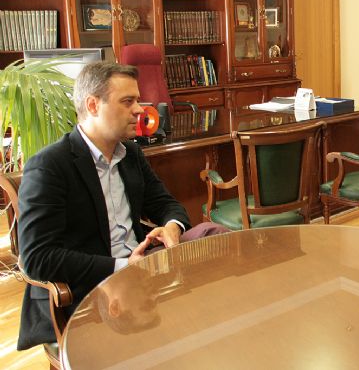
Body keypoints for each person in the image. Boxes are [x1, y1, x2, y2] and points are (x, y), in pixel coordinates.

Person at [17, 62, 228, 350]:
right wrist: (121, 266)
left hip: (141, 267)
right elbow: (38, 258)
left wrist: (171, 227)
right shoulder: (49, 166)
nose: (140, 109)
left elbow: (165, 203)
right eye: (128, 101)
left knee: (215, 236)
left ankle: (221, 328)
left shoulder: (131, 154)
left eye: (137, 100)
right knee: (166, 334)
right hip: (93, 284)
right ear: (93, 105)